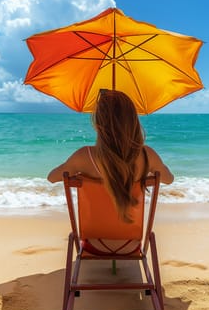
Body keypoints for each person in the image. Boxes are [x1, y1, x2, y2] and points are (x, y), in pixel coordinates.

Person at [47, 89, 174, 223]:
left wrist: (80, 175)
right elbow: (169, 179)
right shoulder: (148, 155)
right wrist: (145, 176)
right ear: (133, 121)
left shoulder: (84, 156)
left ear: (98, 123)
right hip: (131, 242)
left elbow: (52, 177)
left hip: (91, 240)